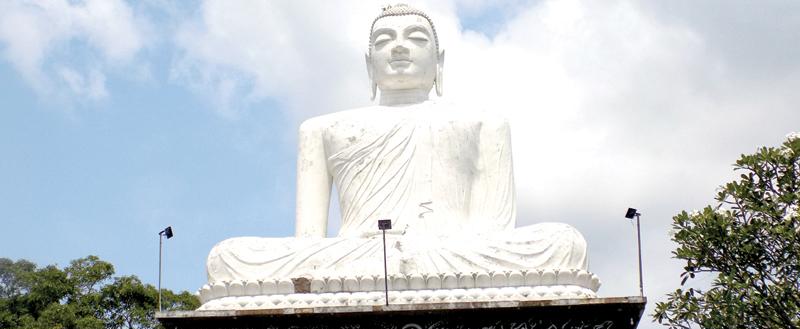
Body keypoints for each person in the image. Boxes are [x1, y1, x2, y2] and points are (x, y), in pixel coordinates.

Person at [205, 4, 590, 291]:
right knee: (229, 257)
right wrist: (374, 253)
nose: (400, 49)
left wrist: (429, 249)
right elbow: (309, 241)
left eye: (416, 39)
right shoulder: (322, 128)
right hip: (356, 256)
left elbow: (491, 233)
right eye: (385, 41)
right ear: (368, 62)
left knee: (562, 243)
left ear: (439, 61)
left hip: (453, 255)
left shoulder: (484, 123)